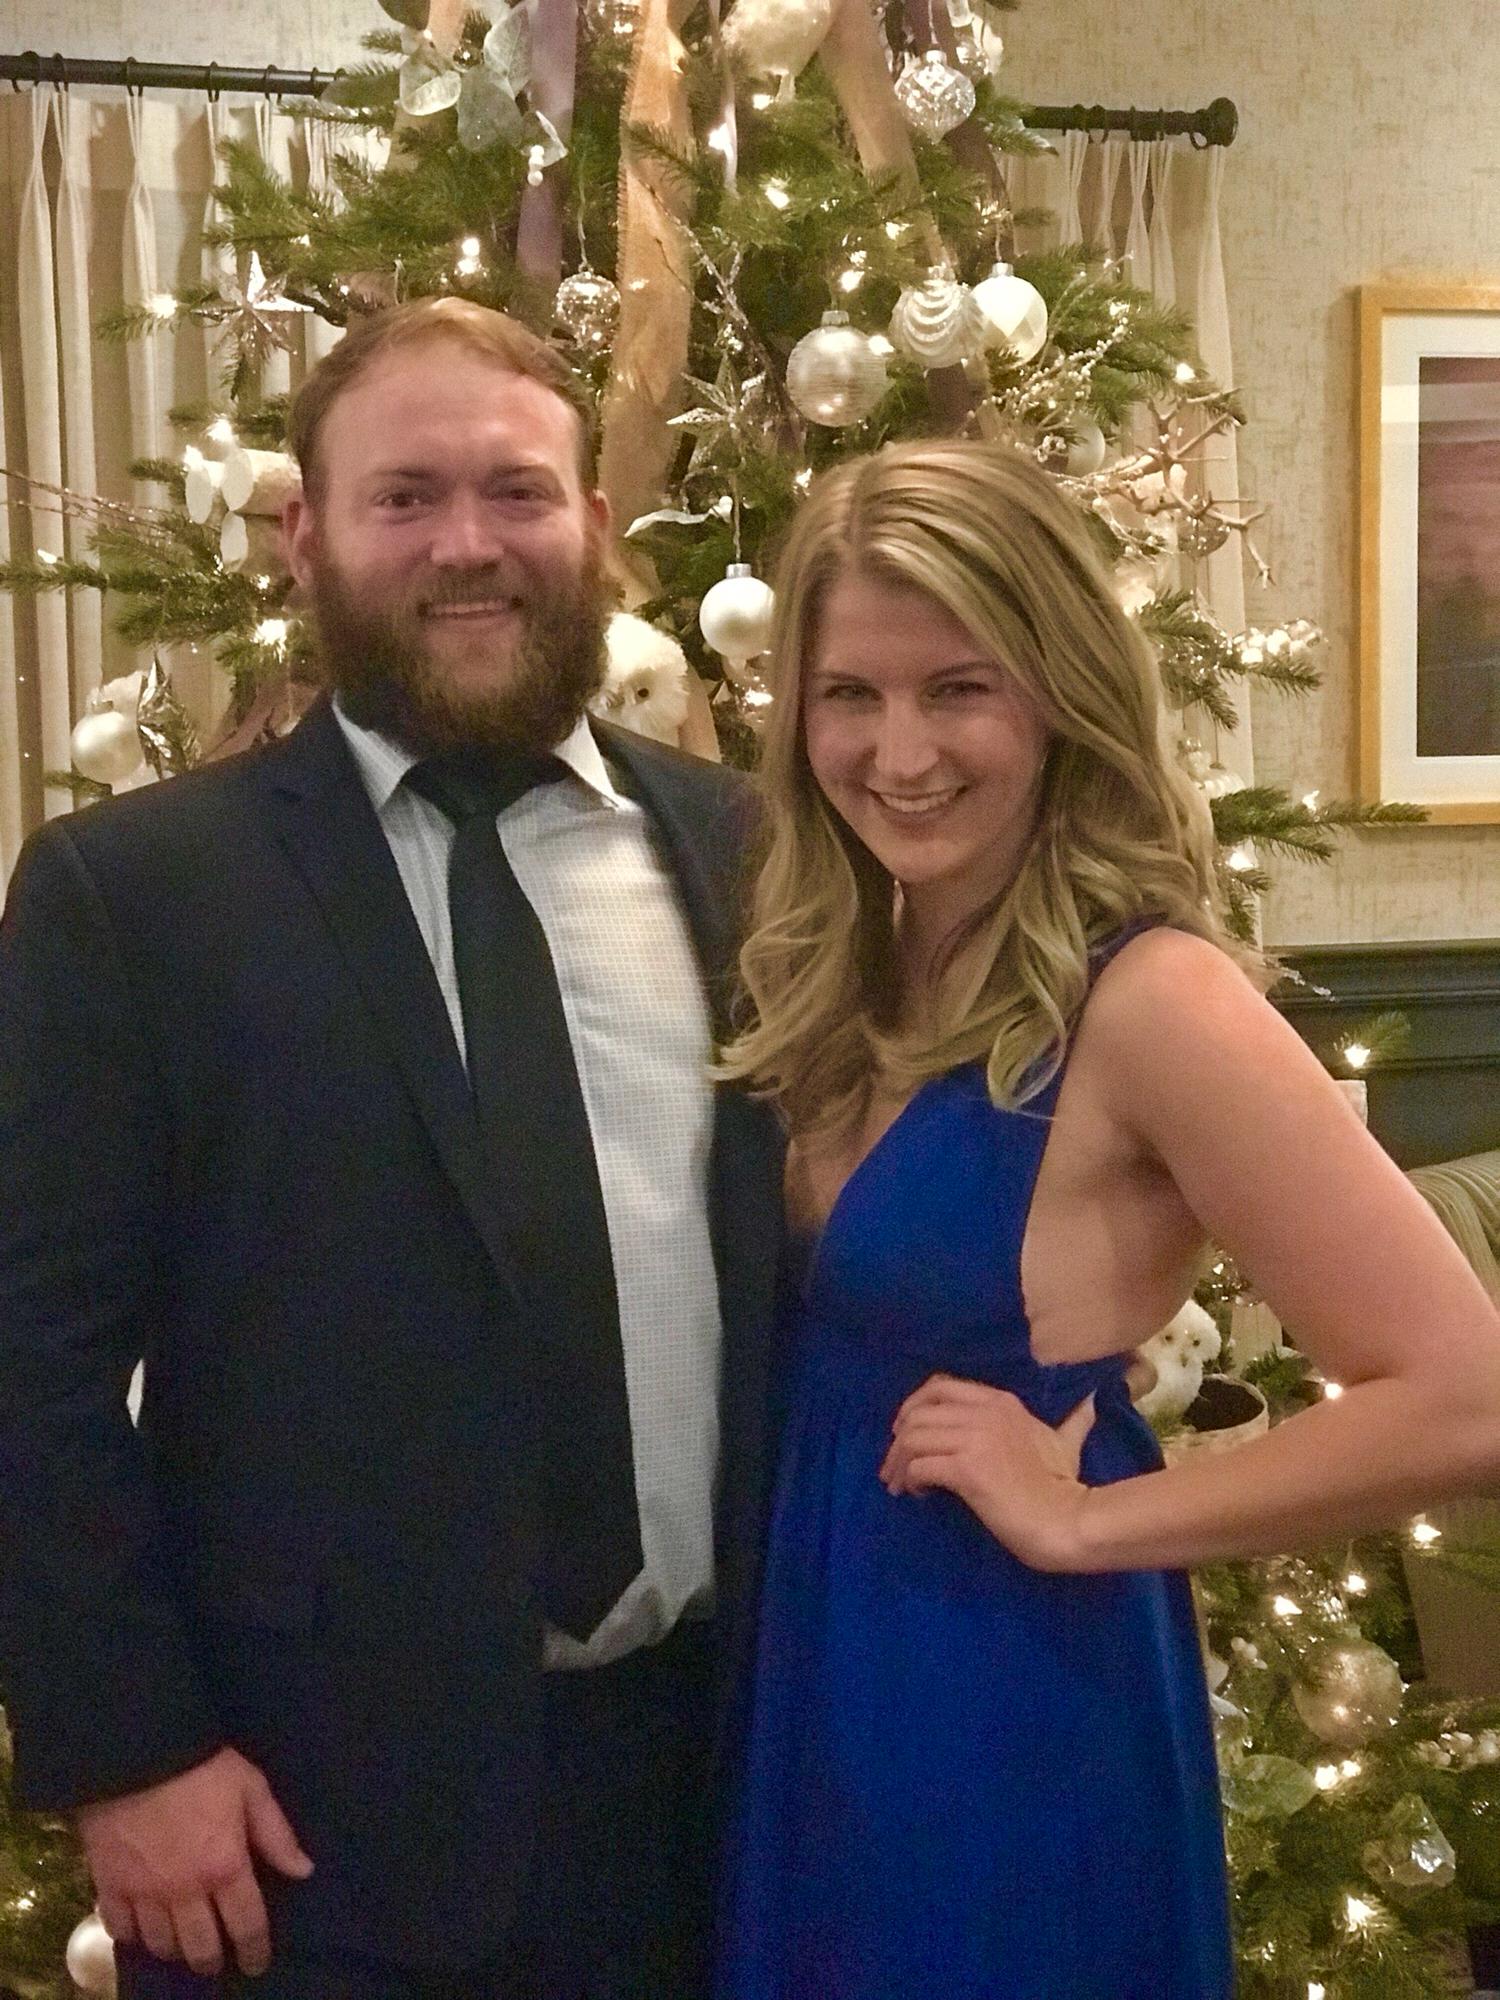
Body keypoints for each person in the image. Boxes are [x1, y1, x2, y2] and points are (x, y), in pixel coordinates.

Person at [0, 298, 782, 2000]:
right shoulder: (130, 899)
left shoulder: (751, 853)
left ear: (595, 525)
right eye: (405, 496)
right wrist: (128, 1752)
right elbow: (29, 1357)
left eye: (517, 492)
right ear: (305, 535)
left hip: (711, 1797)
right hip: (293, 1831)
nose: (467, 546)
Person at [714, 437, 1500, 2000]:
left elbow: (1465, 1397)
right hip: (816, 1653)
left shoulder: (1152, 1000)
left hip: (1000, 1684)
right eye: (850, 693)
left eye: (959, 687)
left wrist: (1086, 1520)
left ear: (1060, 692)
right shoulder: (847, 959)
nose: (898, 750)